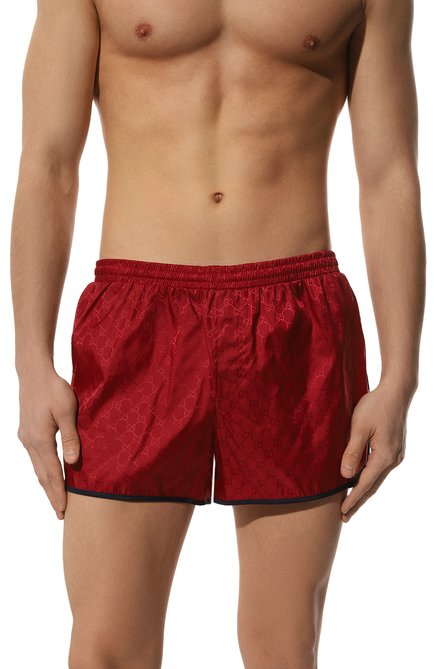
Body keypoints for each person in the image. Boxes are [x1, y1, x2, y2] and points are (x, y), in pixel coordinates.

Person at [10, 0, 425, 667]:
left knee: (282, 649)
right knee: (106, 649)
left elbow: (389, 174)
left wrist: (401, 375)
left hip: (293, 317)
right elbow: (48, 164)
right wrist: (31, 362)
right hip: (138, 318)